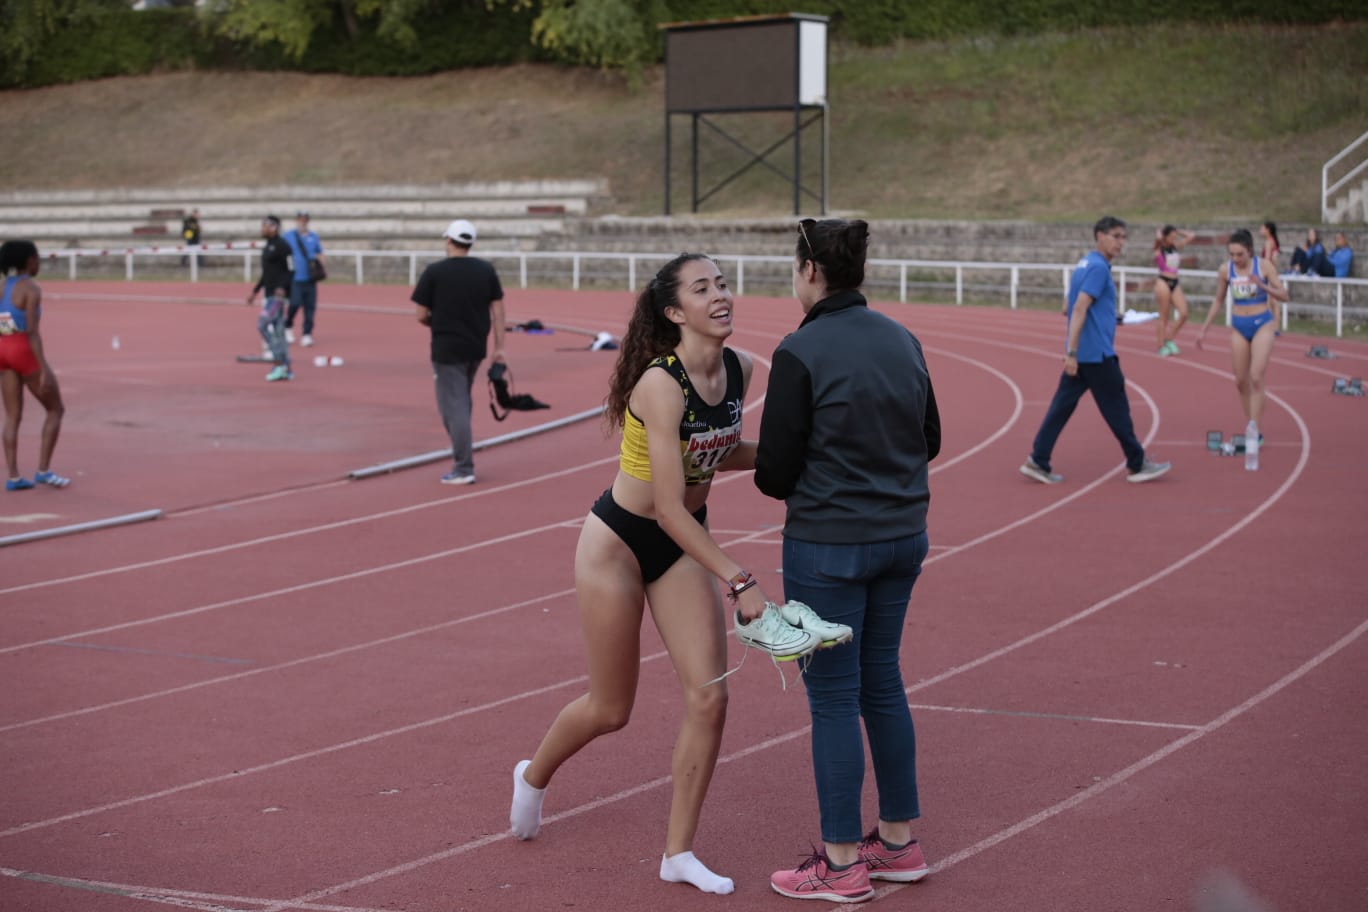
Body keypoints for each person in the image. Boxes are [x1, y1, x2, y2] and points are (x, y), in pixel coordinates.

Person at [508, 253, 821, 896]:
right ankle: (532, 776)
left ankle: (677, 853)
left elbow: (717, 450)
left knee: (710, 697)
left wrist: (800, 453)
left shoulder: (741, 368)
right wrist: (740, 580)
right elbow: (668, 507)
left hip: (681, 543)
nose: (721, 295)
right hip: (620, 544)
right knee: (610, 709)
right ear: (676, 312)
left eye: (723, 284)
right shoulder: (660, 384)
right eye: (703, 289)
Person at [755, 219, 941, 903]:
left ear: (809, 270)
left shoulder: (799, 350)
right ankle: (898, 843)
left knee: (832, 697)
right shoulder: (902, 338)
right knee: (881, 681)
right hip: (904, 535)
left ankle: (839, 865)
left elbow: (774, 473)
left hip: (828, 546)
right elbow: (931, 437)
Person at [1020, 216, 1171, 485]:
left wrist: (1110, 319)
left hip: (1083, 354)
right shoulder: (1099, 268)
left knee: (1061, 408)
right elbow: (1078, 308)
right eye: (1116, 236)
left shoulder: (1084, 264)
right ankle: (1137, 463)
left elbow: (1067, 307)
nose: (1121, 242)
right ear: (1100, 236)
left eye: (1124, 237)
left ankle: (1038, 459)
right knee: (1117, 409)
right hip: (1096, 356)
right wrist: (1071, 352)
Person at [411, 219, 506, 485]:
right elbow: (498, 311)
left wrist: (438, 322)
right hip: (476, 346)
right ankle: (462, 455)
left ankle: (463, 467)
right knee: (461, 399)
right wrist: (500, 347)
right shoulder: (486, 270)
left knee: (453, 407)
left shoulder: (434, 272)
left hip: (446, 349)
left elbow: (420, 314)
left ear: (449, 241)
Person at [1195, 228, 1289, 472]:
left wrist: (1263, 286)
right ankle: (1253, 424)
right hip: (1239, 325)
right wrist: (1204, 329)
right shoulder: (1225, 270)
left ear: (1250, 251)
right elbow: (1218, 300)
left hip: (1262, 323)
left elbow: (1284, 295)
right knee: (1240, 381)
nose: (1235, 259)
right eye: (1232, 254)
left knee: (1257, 377)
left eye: (1240, 255)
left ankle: (1253, 430)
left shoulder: (1264, 266)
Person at [1, 240, 69, 490]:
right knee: (55, 409)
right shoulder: (31, 288)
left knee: (12, 416)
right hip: (23, 349)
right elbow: (32, 332)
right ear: (30, 261)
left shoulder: (2, 286)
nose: (39, 263)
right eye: (38, 258)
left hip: (3, 349)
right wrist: (44, 370)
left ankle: (14, 476)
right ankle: (43, 471)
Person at [245, 216, 294, 382]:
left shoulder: (283, 246)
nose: (262, 229)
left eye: (265, 226)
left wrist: (282, 287)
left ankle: (278, 362)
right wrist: (255, 291)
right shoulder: (268, 246)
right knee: (279, 332)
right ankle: (286, 368)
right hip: (269, 294)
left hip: (278, 297)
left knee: (262, 324)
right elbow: (266, 274)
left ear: (274, 227)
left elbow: (291, 269)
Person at [283, 211, 325, 347]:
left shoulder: (314, 237)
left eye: (305, 220)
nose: (303, 222)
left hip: (310, 278)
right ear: (296, 221)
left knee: (310, 307)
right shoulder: (288, 236)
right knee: (294, 303)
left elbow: (320, 253)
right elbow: (282, 252)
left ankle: (307, 334)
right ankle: (288, 325)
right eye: (300, 219)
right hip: (295, 278)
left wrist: (321, 268)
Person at [1153, 225, 1196, 357]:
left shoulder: (1175, 246)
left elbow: (1191, 236)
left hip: (1175, 282)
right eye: (1171, 237)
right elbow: (1158, 240)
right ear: (1165, 237)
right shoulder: (1159, 248)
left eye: (1175, 237)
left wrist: (1178, 231)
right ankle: (1161, 346)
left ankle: (1169, 339)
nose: (1173, 239)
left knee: (1184, 313)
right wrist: (1160, 235)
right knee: (1164, 316)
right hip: (1163, 282)